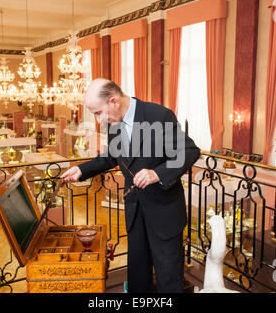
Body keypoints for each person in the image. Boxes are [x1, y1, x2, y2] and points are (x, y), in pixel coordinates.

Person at [61, 78, 200, 293]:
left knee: (168, 279)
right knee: (137, 275)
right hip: (135, 210)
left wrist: (157, 173)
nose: (98, 121)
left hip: (164, 213)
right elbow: (113, 156)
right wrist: (82, 170)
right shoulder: (114, 124)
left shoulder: (158, 115)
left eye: (98, 113)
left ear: (114, 101)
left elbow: (190, 151)